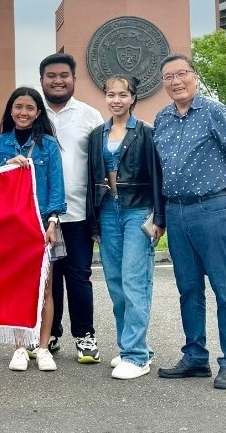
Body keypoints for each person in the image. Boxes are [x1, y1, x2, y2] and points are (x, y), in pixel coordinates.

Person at [153, 53, 226, 390]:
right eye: (169, 77)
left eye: (182, 74)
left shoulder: (214, 111)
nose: (176, 81)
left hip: (213, 208)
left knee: (224, 289)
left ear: (194, 77)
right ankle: (195, 357)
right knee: (188, 288)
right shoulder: (163, 118)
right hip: (177, 212)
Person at [86, 75, 165, 380]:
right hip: (107, 211)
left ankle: (137, 355)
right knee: (116, 284)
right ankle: (131, 345)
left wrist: (160, 217)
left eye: (122, 94)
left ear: (133, 97)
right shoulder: (97, 135)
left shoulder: (146, 133)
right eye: (110, 94)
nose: (116, 100)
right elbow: (90, 178)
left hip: (137, 210)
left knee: (135, 281)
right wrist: (93, 221)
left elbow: (158, 177)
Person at [0, 87, 65, 373]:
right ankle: (19, 347)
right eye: (18, 107)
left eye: (30, 108)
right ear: (10, 110)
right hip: (11, 226)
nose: (24, 112)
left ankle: (42, 348)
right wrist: (5, 167)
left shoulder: (49, 146)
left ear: (38, 113)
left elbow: (57, 188)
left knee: (45, 288)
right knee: (16, 288)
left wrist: (53, 222)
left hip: (43, 224)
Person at [39, 52, 103, 363]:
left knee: (79, 275)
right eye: (51, 75)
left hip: (78, 212)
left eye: (64, 75)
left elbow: (101, 165)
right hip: (40, 213)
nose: (58, 80)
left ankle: (85, 335)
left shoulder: (91, 117)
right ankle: (50, 333)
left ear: (74, 79)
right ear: (42, 80)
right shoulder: (33, 114)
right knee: (48, 276)